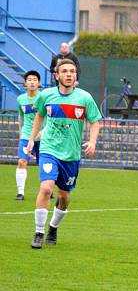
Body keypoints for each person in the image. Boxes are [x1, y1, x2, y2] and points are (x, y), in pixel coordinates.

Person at [26, 59, 101, 249]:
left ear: (76, 76)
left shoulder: (84, 98)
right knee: (46, 188)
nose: (69, 74)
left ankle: (53, 227)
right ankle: (39, 232)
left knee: (64, 196)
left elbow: (95, 122)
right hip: (49, 149)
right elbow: (39, 115)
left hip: (71, 155)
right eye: (65, 71)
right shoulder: (47, 95)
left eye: (72, 71)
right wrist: (31, 138)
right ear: (57, 76)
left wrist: (92, 141)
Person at [15, 70, 41, 201]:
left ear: (39, 83)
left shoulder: (44, 98)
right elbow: (21, 117)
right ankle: (20, 192)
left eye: (35, 80)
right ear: (25, 83)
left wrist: (45, 131)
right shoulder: (20, 99)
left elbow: (49, 116)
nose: (32, 82)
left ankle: (47, 190)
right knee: (22, 161)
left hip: (42, 136)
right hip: (26, 135)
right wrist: (21, 132)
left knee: (44, 164)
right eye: (29, 79)